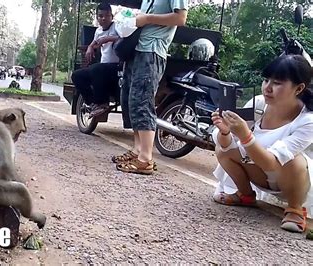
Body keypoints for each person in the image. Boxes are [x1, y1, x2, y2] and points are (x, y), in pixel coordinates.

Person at [211, 54, 313, 233]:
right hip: (259, 174)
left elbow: (272, 163)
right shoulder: (258, 104)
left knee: (295, 160)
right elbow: (227, 147)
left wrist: (246, 136)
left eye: (278, 83)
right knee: (222, 147)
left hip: (291, 180)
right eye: (266, 80)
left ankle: (295, 209)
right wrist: (225, 131)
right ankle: (245, 195)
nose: (268, 88)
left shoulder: (307, 121)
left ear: (299, 88)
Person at [113, 0, 188, 175]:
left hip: (152, 51)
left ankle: (145, 158)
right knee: (132, 100)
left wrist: (147, 19)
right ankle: (137, 150)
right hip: (136, 50)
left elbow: (180, 18)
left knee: (142, 100)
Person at [71, 2, 120, 118]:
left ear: (111, 16)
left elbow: (124, 38)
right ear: (97, 17)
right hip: (102, 68)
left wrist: (108, 39)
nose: (104, 18)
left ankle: (102, 103)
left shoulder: (117, 27)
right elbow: (94, 43)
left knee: (96, 68)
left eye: (107, 16)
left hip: (116, 67)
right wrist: (89, 48)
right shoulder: (98, 31)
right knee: (77, 75)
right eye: (101, 16)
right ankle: (92, 103)